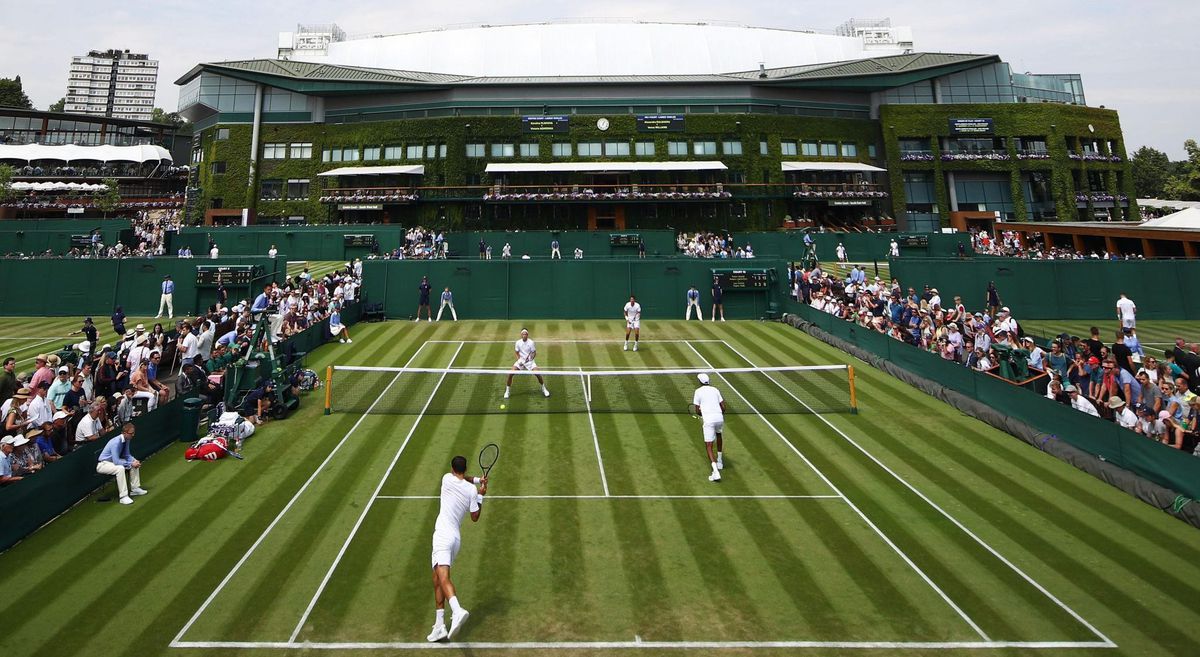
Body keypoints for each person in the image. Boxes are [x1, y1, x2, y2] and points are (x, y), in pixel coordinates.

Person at [427, 455, 488, 642]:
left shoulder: (446, 478)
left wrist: (477, 482)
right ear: (464, 468)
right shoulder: (471, 490)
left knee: (443, 577)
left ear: (452, 469)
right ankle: (439, 626)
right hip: (455, 539)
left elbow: (462, 477)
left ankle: (457, 610)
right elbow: (475, 517)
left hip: (442, 537)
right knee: (437, 578)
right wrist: (480, 492)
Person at [96, 423, 147, 505]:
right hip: (103, 465)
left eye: (133, 433)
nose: (133, 435)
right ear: (124, 433)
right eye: (131, 433)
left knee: (133, 463)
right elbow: (116, 461)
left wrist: (134, 460)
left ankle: (135, 489)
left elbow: (126, 455)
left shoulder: (127, 440)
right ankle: (123, 497)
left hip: (112, 463)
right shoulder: (116, 442)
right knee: (120, 468)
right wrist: (131, 463)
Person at [690, 373, 727, 482]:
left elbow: (697, 410)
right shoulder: (715, 390)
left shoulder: (698, 391)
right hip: (719, 417)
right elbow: (723, 407)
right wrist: (718, 415)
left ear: (700, 382)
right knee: (719, 435)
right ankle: (720, 461)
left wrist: (703, 415)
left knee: (709, 446)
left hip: (709, 420)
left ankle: (715, 472)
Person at [505, 329, 550, 399]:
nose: (524, 335)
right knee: (510, 373)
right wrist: (519, 360)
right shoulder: (518, 342)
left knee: (538, 373)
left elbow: (534, 352)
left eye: (525, 334)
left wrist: (530, 358)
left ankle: (544, 388)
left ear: (527, 335)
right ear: (521, 335)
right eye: (523, 334)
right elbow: (516, 353)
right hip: (521, 361)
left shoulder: (531, 342)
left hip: (530, 362)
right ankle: (507, 391)